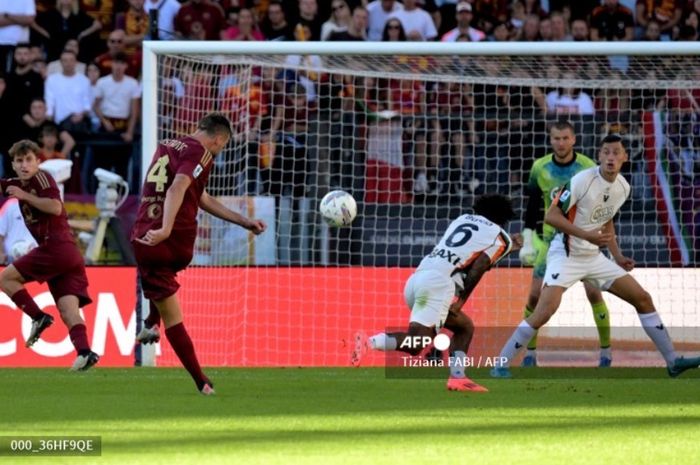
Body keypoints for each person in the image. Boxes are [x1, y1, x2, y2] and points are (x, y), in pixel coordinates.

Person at [491, 134, 700, 378]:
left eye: (616, 153)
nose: (611, 157)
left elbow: (606, 220)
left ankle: (673, 361)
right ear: (599, 156)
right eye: (606, 152)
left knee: (643, 298)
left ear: (625, 157)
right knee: (544, 311)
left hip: (594, 257)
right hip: (566, 254)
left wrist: (618, 257)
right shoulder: (582, 180)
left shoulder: (623, 186)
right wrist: (586, 235)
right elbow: (551, 216)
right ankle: (501, 362)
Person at [131, 113, 266, 395]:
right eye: (223, 145)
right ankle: (202, 381)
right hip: (165, 240)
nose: (219, 151)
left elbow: (200, 196)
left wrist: (244, 221)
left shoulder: (168, 144)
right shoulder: (202, 153)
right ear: (218, 139)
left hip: (147, 236)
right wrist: (167, 228)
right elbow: (178, 186)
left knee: (164, 287)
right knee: (174, 318)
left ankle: (149, 324)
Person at [353, 194, 521, 392]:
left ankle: (458, 378)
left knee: (464, 327)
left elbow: (469, 249)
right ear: (503, 218)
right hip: (439, 285)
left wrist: (505, 249)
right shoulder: (501, 237)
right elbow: (480, 264)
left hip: (418, 278)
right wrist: (461, 301)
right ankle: (369, 342)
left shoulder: (462, 220)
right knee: (418, 343)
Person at [518, 121, 612, 368]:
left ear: (574, 140)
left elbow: (602, 204)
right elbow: (532, 207)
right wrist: (528, 238)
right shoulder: (540, 167)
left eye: (565, 138)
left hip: (584, 239)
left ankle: (606, 353)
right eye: (556, 138)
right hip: (552, 242)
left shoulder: (588, 167)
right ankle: (530, 354)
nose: (561, 143)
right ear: (551, 140)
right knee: (534, 297)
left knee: (593, 293)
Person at [0, 140, 98, 370]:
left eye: (29, 160)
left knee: (6, 279)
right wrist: (19, 192)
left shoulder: (41, 178)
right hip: (67, 255)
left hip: (56, 248)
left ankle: (38, 317)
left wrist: (25, 196)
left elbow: (55, 207)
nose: (24, 165)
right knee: (68, 310)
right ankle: (85, 353)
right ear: (13, 164)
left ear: (38, 161)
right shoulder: (16, 183)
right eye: (19, 161)